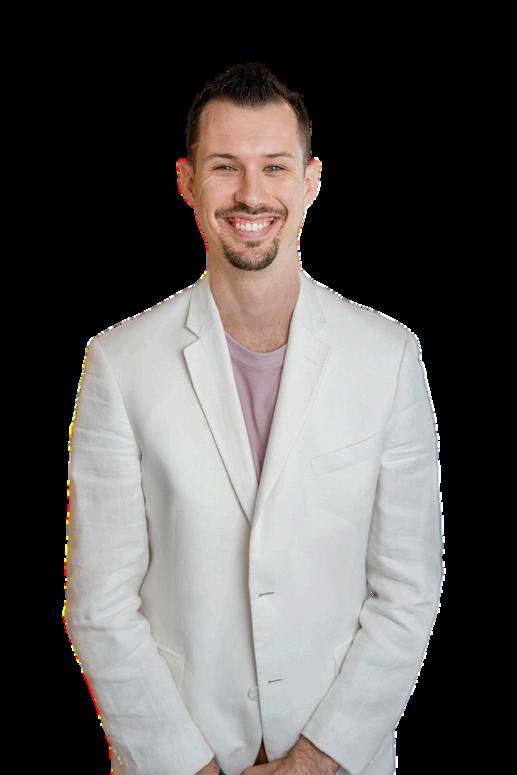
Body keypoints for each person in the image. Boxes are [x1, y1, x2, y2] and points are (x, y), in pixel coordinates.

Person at [64, 61, 443, 775]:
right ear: (186, 181)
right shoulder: (119, 363)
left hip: (342, 760)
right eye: (225, 166)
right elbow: (99, 604)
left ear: (310, 180)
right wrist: (191, 766)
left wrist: (313, 761)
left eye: (274, 166)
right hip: (177, 759)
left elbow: (408, 589)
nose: (250, 193)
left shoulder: (389, 357)